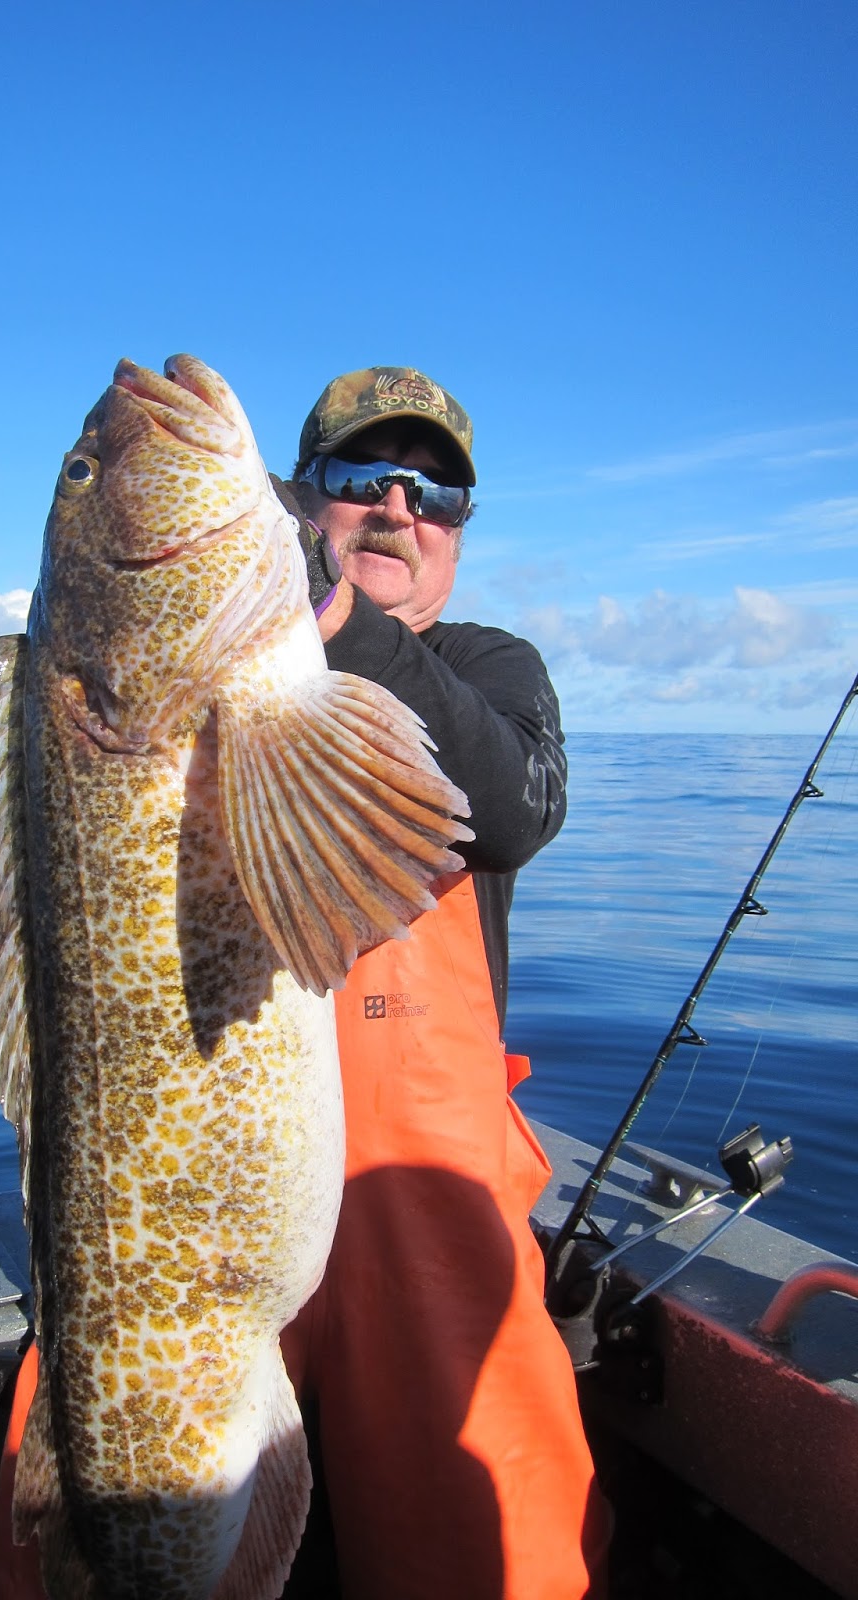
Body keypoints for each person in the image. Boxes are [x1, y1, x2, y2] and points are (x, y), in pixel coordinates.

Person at [272, 366, 609, 1600]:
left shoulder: (488, 668)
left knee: (491, 1546)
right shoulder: (221, 670)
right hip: (205, 1162)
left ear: (460, 528)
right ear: (306, 505)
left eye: (436, 490)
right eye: (361, 481)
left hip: (412, 1181)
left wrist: (338, 627)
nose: (397, 510)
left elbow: (507, 810)